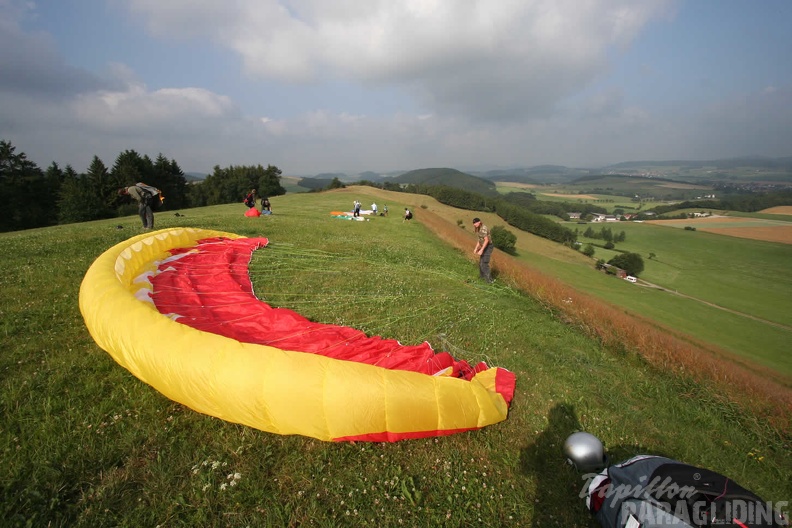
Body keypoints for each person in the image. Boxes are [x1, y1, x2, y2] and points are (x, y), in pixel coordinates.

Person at [472, 217, 493, 283]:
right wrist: (476, 248)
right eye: (473, 223)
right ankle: (482, 278)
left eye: (475, 222)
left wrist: (481, 250)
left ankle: (490, 281)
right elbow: (480, 240)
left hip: (488, 247)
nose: (474, 224)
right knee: (481, 263)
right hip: (484, 246)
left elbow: (486, 241)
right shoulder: (479, 228)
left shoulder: (483, 229)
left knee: (484, 263)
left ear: (479, 222)